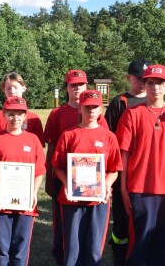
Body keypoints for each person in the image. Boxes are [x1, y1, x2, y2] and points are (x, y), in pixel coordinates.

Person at [43, 69, 108, 265]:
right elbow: (52, 147)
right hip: (65, 178)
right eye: (73, 85)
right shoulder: (58, 113)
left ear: (86, 85)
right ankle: (63, 258)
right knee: (65, 228)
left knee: (89, 231)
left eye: (81, 84)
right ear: (67, 88)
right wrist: (50, 175)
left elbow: (103, 153)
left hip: (92, 182)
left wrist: (103, 184)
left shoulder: (97, 114)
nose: (77, 88)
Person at [52, 90, 122, 266]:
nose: (91, 111)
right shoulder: (69, 134)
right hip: (72, 200)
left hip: (98, 200)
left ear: (100, 109)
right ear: (80, 109)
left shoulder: (108, 137)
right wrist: (67, 183)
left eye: (95, 107)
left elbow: (115, 169)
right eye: (87, 107)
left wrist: (106, 184)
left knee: (93, 247)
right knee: (72, 247)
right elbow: (58, 166)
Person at [0, 96, 45, 266]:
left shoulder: (33, 140)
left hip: (25, 203)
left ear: (25, 116)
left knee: (20, 250)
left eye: (20, 114)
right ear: (4, 115)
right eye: (11, 114)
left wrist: (34, 192)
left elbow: (39, 171)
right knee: (1, 250)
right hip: (1, 203)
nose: (16, 118)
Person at [116, 64, 165, 266]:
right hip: (140, 190)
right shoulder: (132, 114)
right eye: (150, 82)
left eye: (160, 83)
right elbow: (124, 154)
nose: (154, 87)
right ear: (144, 84)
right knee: (139, 245)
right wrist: (123, 189)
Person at [104, 58, 149, 266]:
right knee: (121, 222)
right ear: (128, 77)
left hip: (148, 176)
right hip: (123, 174)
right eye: (139, 78)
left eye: (146, 79)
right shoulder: (119, 102)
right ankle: (120, 258)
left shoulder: (155, 104)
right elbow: (108, 139)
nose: (142, 83)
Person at [0, 72, 45, 147]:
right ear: (3, 90)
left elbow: (38, 148)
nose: (12, 91)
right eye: (8, 88)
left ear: (24, 88)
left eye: (15, 87)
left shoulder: (34, 119)